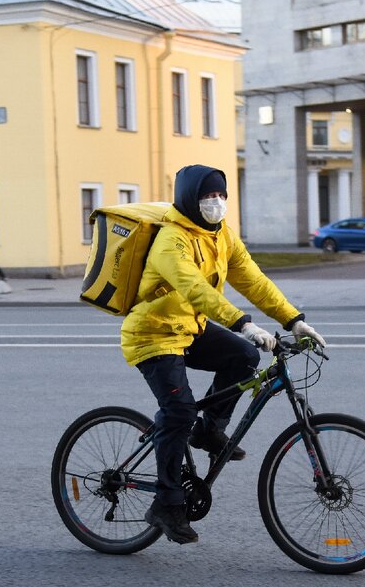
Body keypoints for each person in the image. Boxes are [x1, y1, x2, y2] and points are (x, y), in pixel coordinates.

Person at [122, 164, 326, 545]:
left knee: (244, 358)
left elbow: (252, 278)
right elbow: (197, 290)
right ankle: (166, 504)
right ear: (189, 200)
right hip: (153, 334)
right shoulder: (171, 241)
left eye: (221, 196)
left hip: (190, 329)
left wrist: (293, 320)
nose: (216, 203)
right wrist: (244, 324)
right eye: (207, 197)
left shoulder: (221, 235)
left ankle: (210, 429)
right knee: (178, 411)